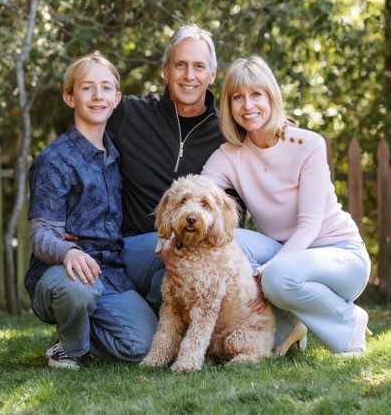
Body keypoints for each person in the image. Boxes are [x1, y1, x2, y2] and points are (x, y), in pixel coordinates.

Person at [105, 23, 303, 353]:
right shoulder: (128, 113)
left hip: (201, 246)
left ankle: (241, 334)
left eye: (199, 66)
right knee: (176, 275)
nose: (189, 75)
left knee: (241, 258)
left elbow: (267, 157)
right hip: (139, 242)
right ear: (165, 71)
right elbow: (86, 146)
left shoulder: (227, 130)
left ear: (212, 74)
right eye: (180, 65)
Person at [201, 55, 372, 356]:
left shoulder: (308, 144)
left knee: (278, 278)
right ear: (228, 105)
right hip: (285, 255)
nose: (248, 105)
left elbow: (309, 226)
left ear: (271, 96)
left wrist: (270, 270)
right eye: (238, 97)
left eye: (256, 94)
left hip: (340, 255)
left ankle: (349, 320)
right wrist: (168, 239)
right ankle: (291, 320)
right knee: (224, 239)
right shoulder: (229, 154)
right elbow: (197, 195)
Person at [25, 52, 157, 369]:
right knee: (77, 289)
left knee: (145, 348)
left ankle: (88, 331)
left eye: (106, 88)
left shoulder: (115, 153)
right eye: (87, 88)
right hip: (62, 273)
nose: (98, 96)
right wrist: (69, 252)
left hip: (110, 269)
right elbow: (41, 235)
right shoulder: (55, 160)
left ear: (117, 98)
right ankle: (69, 348)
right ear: (70, 97)